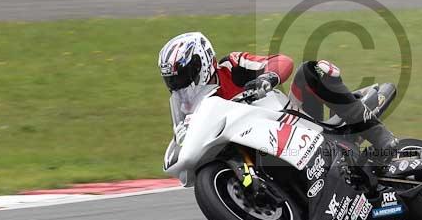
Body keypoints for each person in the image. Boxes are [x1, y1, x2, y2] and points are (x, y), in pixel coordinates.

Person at [158, 32, 398, 162]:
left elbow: (282, 61)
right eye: (174, 79)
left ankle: (381, 139)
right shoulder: (189, 106)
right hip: (262, 149)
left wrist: (267, 78)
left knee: (311, 70)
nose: (180, 83)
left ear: (201, 61)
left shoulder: (231, 66)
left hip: (292, 121)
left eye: (183, 74)